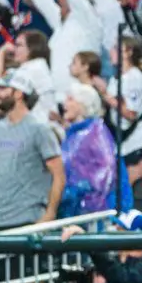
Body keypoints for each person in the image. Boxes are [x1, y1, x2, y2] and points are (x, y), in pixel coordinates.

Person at [0, 72, 66, 230]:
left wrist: (49, 214)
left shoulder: (39, 129)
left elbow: (58, 174)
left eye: (3, 89)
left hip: (29, 219)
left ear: (19, 93)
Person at [60, 83, 119, 217]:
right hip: (71, 209)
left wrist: (81, 191)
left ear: (83, 104)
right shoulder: (73, 134)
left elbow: (107, 171)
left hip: (92, 212)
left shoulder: (96, 132)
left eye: (70, 99)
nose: (64, 104)